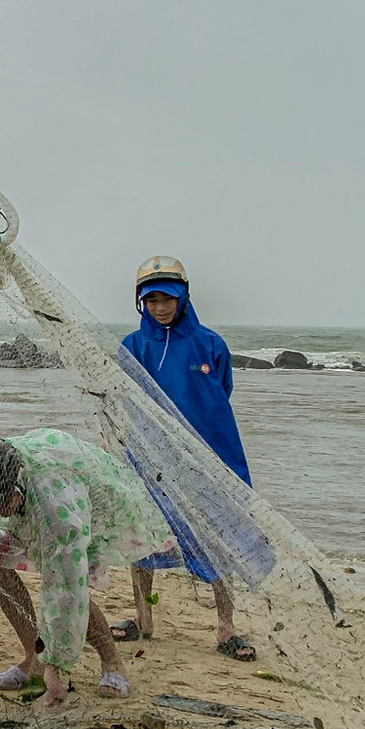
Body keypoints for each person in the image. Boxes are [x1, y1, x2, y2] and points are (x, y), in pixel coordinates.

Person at [0, 430, 175, 708]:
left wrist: (56, 670)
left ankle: (112, 663)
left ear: (18, 482)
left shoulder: (54, 502)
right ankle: (33, 657)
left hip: (92, 502)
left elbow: (65, 589)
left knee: (73, 588)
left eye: (4, 500)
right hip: (38, 502)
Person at [115, 255, 254, 659]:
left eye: (168, 299)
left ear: (184, 297)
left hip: (208, 459)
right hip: (150, 460)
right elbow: (123, 399)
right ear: (142, 302)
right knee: (140, 535)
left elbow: (222, 391)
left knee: (218, 539)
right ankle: (143, 619)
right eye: (152, 299)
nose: (161, 307)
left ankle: (227, 628)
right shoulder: (133, 346)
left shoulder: (210, 344)